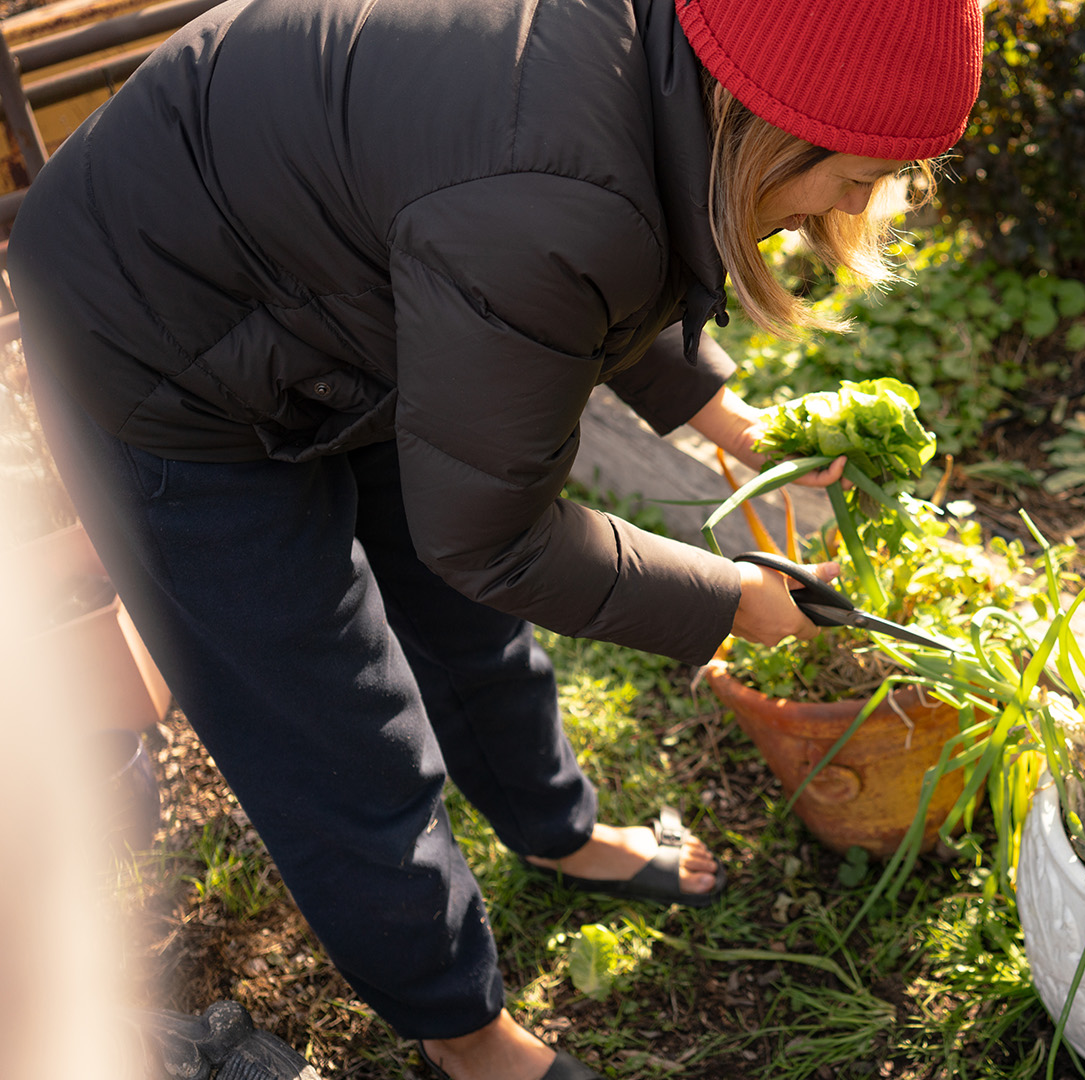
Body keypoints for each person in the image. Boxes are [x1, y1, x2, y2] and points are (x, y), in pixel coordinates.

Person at [7, 0, 984, 1076]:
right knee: (335, 729)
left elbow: (591, 244)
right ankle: (466, 1036)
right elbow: (496, 528)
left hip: (323, 280)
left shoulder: (656, 74)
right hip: (148, 337)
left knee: (465, 626)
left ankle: (554, 830)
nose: (849, 210)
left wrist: (720, 413)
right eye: (852, 180)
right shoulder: (553, 188)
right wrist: (727, 601)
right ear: (762, 123)